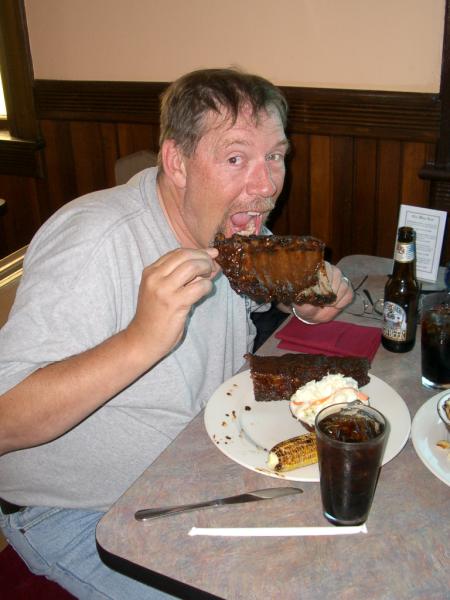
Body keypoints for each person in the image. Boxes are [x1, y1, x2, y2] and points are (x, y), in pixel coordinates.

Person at [0, 68, 352, 598]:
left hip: (200, 470)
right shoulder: (94, 241)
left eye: (275, 156)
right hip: (81, 514)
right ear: (177, 163)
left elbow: (270, 285)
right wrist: (140, 340)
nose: (265, 186)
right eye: (235, 159)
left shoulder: (231, 225)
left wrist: (305, 299)